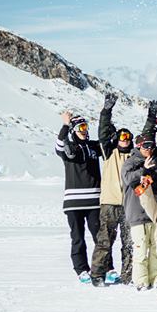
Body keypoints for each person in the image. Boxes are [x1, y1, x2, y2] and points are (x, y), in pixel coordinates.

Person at [90, 92, 149, 286]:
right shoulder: (109, 152)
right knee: (104, 241)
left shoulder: (134, 156)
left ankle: (128, 275)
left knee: (129, 242)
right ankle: (97, 274)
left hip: (128, 205)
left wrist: (150, 118)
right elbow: (103, 132)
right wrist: (106, 111)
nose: (125, 139)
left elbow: (145, 140)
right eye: (122, 136)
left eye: (128, 137)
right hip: (109, 203)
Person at [56, 111, 103, 282]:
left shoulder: (92, 147)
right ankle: (81, 269)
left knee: (100, 237)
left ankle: (104, 267)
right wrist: (65, 125)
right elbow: (60, 145)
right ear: (73, 130)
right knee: (78, 238)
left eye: (86, 127)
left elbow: (107, 142)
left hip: (94, 201)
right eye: (80, 127)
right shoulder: (69, 148)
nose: (84, 130)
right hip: (74, 202)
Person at [122, 135, 157, 290]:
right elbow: (128, 179)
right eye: (145, 146)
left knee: (156, 247)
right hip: (136, 211)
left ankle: (156, 277)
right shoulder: (131, 162)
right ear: (139, 146)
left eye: (151, 146)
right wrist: (144, 170)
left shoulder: (156, 162)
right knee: (140, 248)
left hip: (153, 210)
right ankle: (140, 280)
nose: (149, 149)